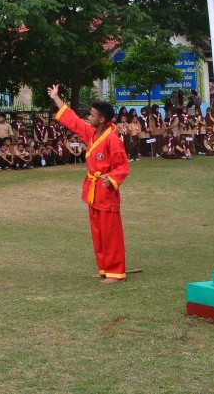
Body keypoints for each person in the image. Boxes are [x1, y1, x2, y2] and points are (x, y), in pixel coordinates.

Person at [47, 85, 130, 283]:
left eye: (92, 115)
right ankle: (104, 268)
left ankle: (116, 272)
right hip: (93, 190)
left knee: (111, 233)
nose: (88, 117)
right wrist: (56, 98)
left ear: (102, 119)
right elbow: (73, 121)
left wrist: (110, 180)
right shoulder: (92, 133)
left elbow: (122, 166)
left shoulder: (113, 139)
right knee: (98, 232)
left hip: (106, 190)